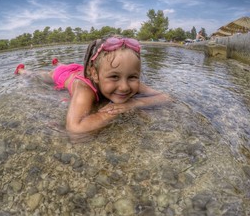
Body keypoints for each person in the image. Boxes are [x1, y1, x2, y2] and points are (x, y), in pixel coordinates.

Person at [15, 36, 171, 142]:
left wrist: (134, 104)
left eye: (132, 77)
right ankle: (24, 71)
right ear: (94, 75)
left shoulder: (128, 81)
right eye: (114, 77)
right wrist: (109, 114)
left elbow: (167, 98)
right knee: (41, 76)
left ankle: (59, 62)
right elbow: (75, 129)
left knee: (68, 66)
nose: (124, 87)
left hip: (80, 69)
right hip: (63, 76)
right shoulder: (85, 89)